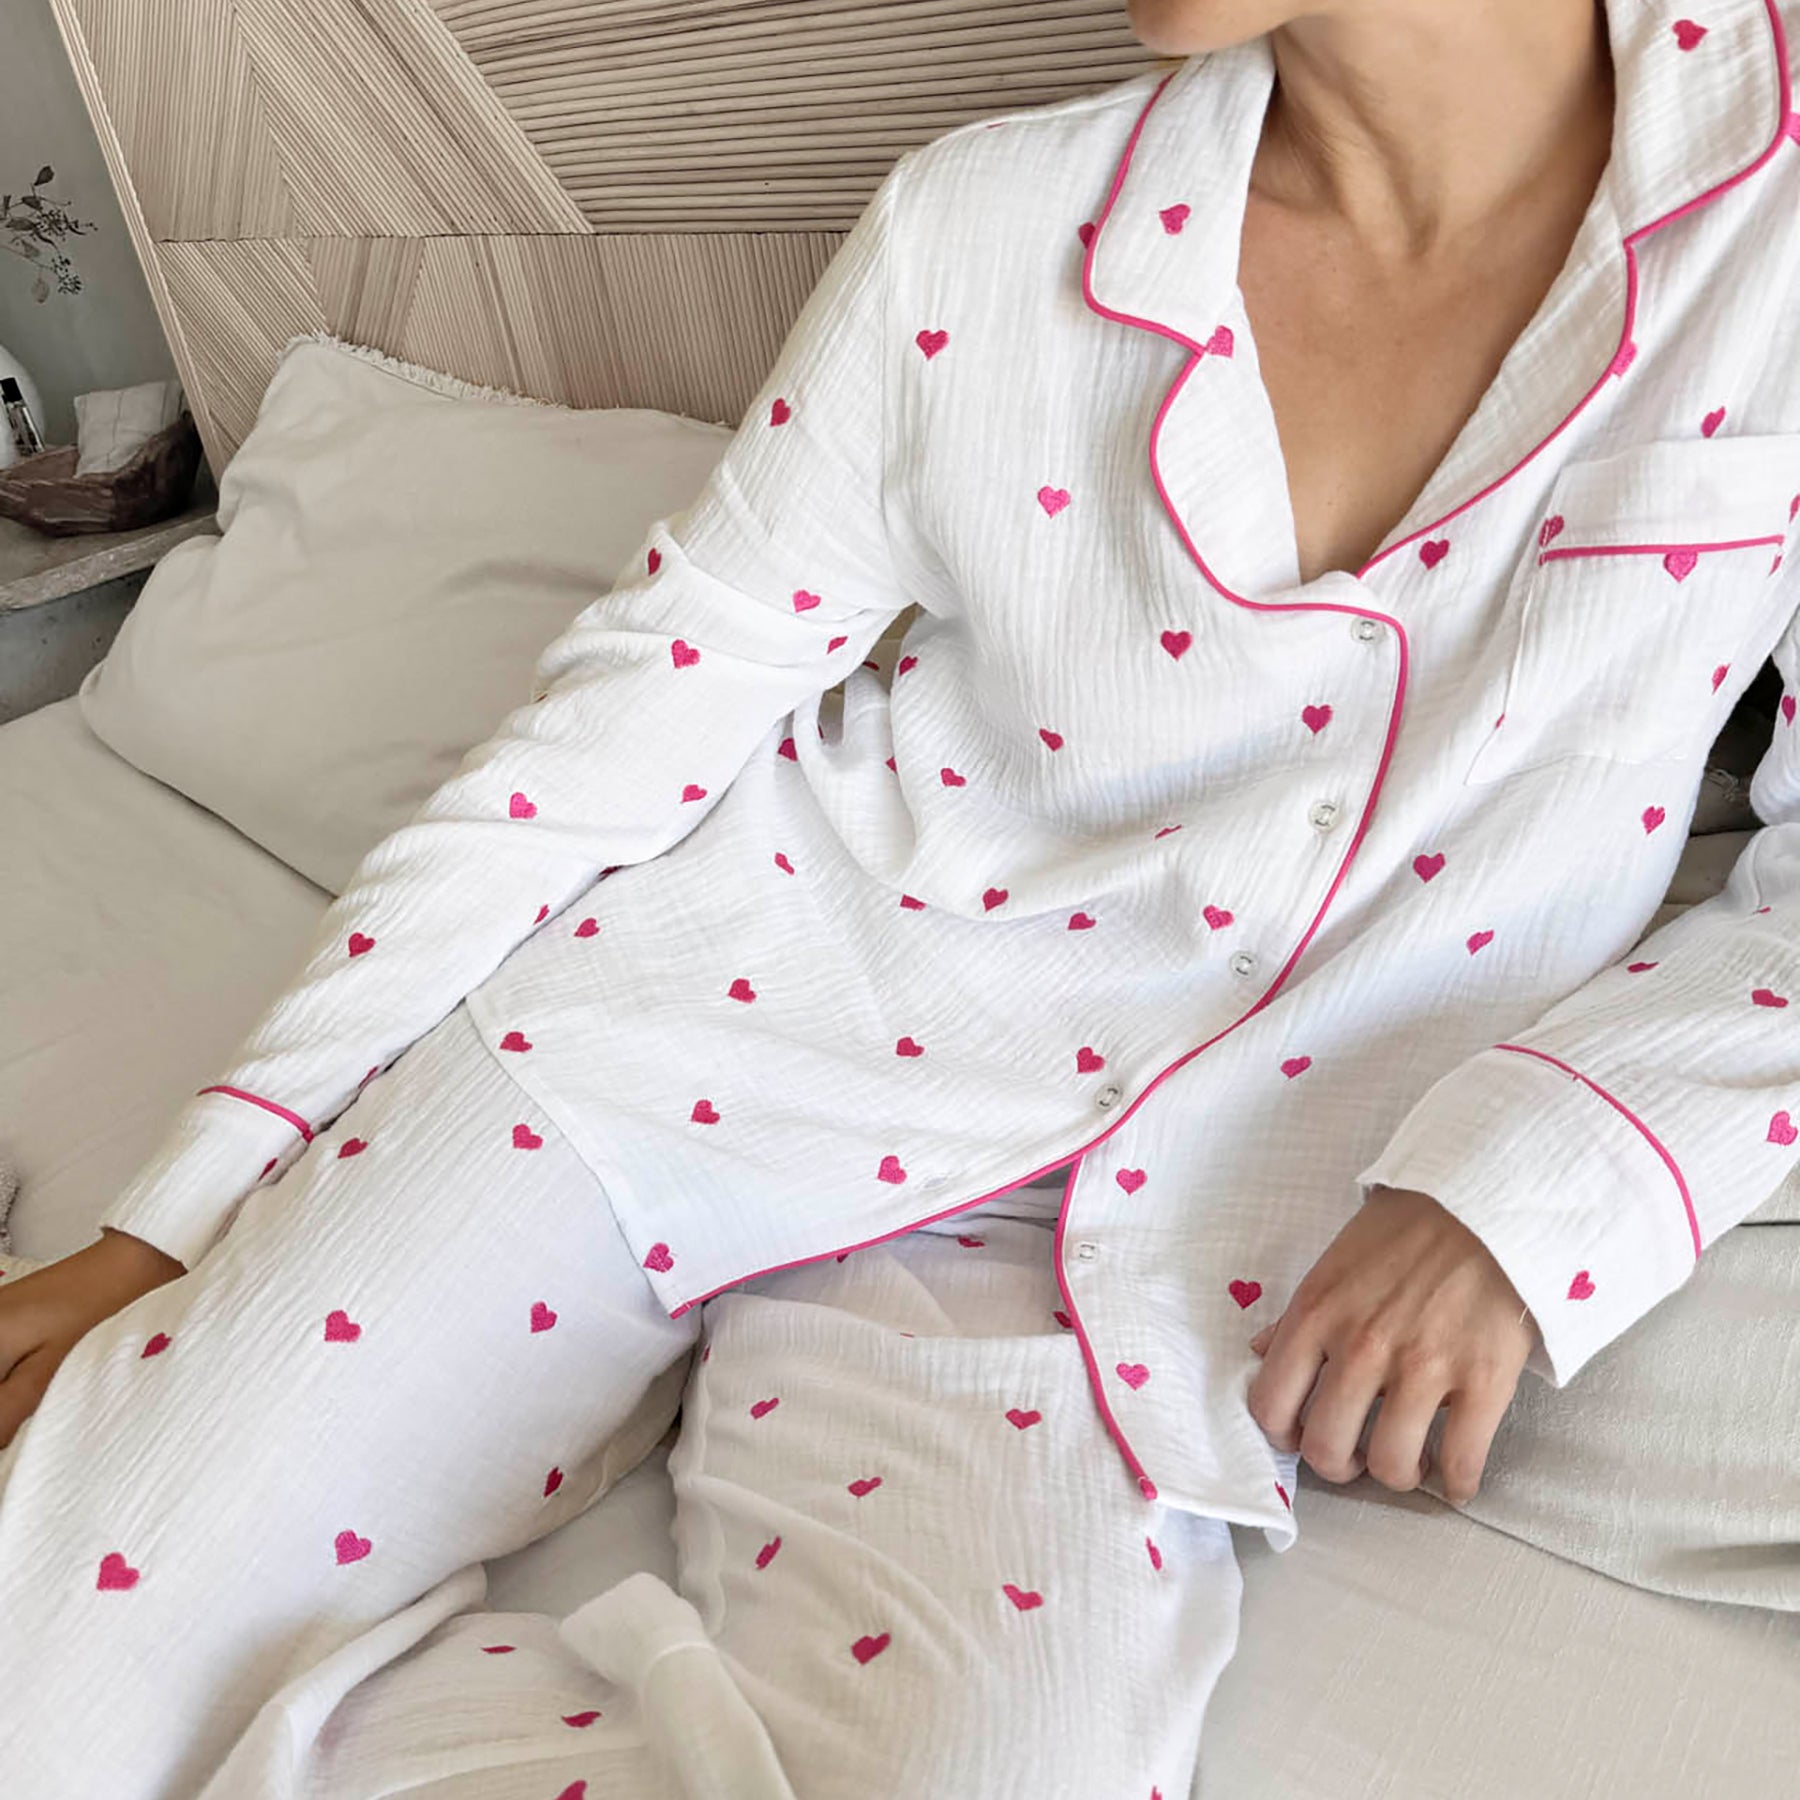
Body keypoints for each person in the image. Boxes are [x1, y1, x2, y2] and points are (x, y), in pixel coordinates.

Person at [5, 0, 1800, 1793]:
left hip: (1132, 1236)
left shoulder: (1769, 217)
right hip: (688, 1040)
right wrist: (185, 1208)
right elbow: (621, 729)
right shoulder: (990, 224)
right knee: (54, 1676)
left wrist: (1547, 1172)